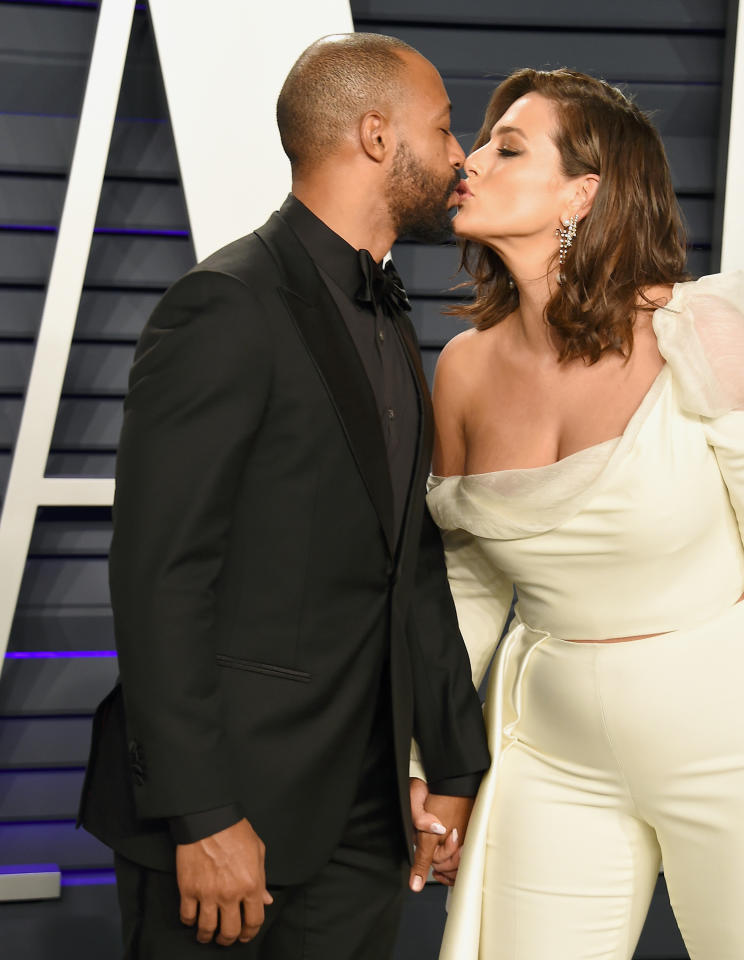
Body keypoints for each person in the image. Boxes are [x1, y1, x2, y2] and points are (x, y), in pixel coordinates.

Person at [424, 68, 744, 960]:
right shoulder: (460, 369)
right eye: (484, 140)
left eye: (508, 145)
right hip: (553, 753)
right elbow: (472, 584)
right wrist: (428, 763)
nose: (471, 160)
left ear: (584, 191)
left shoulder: (701, 334)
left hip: (742, 748)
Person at [78, 33, 486, 959]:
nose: (460, 154)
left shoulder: (389, 313)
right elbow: (160, 574)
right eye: (445, 126)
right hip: (232, 820)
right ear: (376, 136)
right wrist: (201, 812)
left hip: (367, 820)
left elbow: (408, 566)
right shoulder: (222, 305)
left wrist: (453, 761)